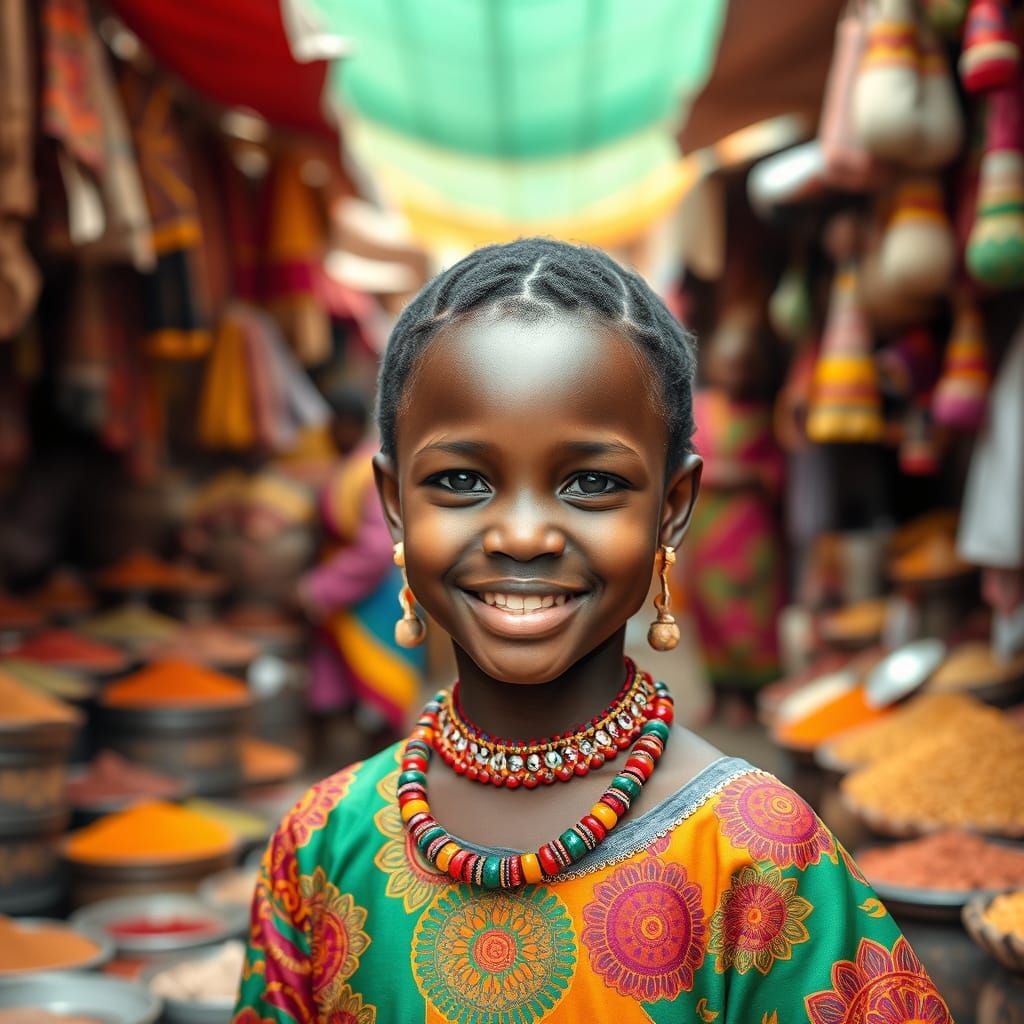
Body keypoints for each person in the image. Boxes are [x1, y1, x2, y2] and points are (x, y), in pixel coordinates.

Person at [234, 239, 949, 1024]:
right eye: (461, 481)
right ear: (394, 501)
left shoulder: (762, 861)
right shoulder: (321, 845)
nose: (525, 535)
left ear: (672, 506)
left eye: (592, 483)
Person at [296, 385, 425, 755]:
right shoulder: (354, 464)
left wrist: (317, 590)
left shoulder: (367, 469)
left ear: (347, 426)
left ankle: (378, 777)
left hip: (375, 599)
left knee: (377, 701)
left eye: (333, 427)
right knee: (348, 696)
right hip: (355, 597)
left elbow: (376, 548)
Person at [685, 306, 786, 720]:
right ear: (713, 362)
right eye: (729, 363)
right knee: (709, 611)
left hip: (751, 531)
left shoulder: (767, 416)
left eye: (745, 365)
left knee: (752, 615)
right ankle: (719, 692)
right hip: (707, 531)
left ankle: (750, 696)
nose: (736, 372)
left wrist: (742, 475)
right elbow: (679, 460)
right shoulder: (697, 409)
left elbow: (777, 472)